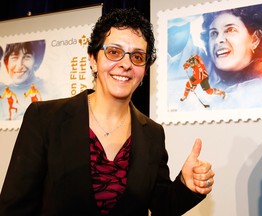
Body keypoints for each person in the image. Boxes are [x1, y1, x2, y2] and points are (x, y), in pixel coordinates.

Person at [0, 8, 215, 216]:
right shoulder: (44, 118)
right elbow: (14, 209)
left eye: (137, 57)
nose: (125, 64)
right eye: (114, 52)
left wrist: (186, 186)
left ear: (145, 70)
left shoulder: (152, 134)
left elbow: (162, 206)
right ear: (93, 59)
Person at [200, 4, 262, 88]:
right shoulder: (208, 82)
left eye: (230, 30)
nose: (218, 40)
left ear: (255, 39)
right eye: (214, 33)